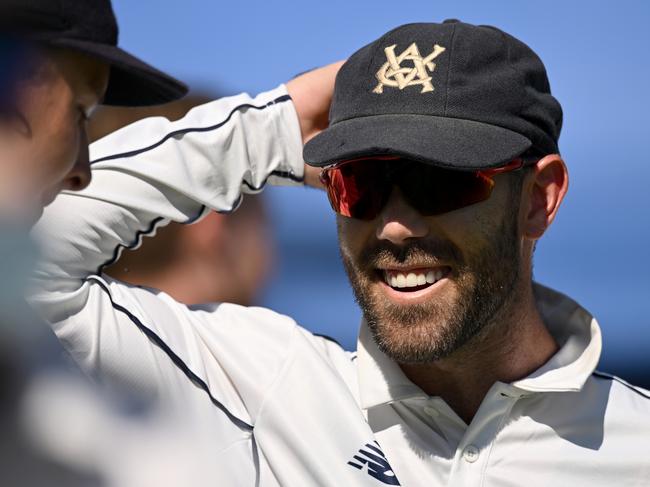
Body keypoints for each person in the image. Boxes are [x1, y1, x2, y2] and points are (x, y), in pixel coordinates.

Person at [29, 20, 649, 487]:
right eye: (363, 184)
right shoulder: (257, 384)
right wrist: (268, 129)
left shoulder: (637, 444)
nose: (396, 226)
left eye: (442, 181)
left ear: (540, 198)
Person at [88, 96, 275, 306]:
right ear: (213, 217)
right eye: (264, 225)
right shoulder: (264, 338)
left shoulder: (57, 329)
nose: (271, 261)